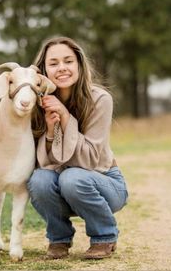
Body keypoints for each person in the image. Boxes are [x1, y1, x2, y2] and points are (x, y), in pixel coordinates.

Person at [28, 36, 128, 260]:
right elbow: (43, 164)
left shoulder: (100, 99)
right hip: (60, 186)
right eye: (53, 63)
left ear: (79, 65)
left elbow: (90, 159)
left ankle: (104, 237)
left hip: (105, 183)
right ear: (43, 70)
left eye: (68, 61)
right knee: (39, 179)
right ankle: (59, 239)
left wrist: (65, 116)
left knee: (72, 177)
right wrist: (52, 131)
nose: (61, 68)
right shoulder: (38, 104)